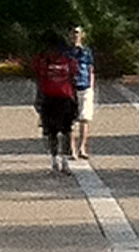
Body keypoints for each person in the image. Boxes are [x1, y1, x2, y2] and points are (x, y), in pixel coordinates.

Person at [31, 34, 77, 174]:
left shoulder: (62, 61)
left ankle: (60, 160)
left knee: (60, 132)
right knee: (58, 131)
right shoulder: (46, 61)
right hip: (55, 98)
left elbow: (74, 76)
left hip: (58, 98)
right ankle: (58, 161)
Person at [67, 24, 95, 159]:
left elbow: (91, 69)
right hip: (70, 88)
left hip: (85, 87)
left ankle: (82, 148)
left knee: (84, 119)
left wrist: (91, 86)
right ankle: (72, 150)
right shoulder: (66, 52)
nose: (75, 35)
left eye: (77, 33)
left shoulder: (86, 51)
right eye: (73, 33)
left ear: (82, 35)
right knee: (71, 121)